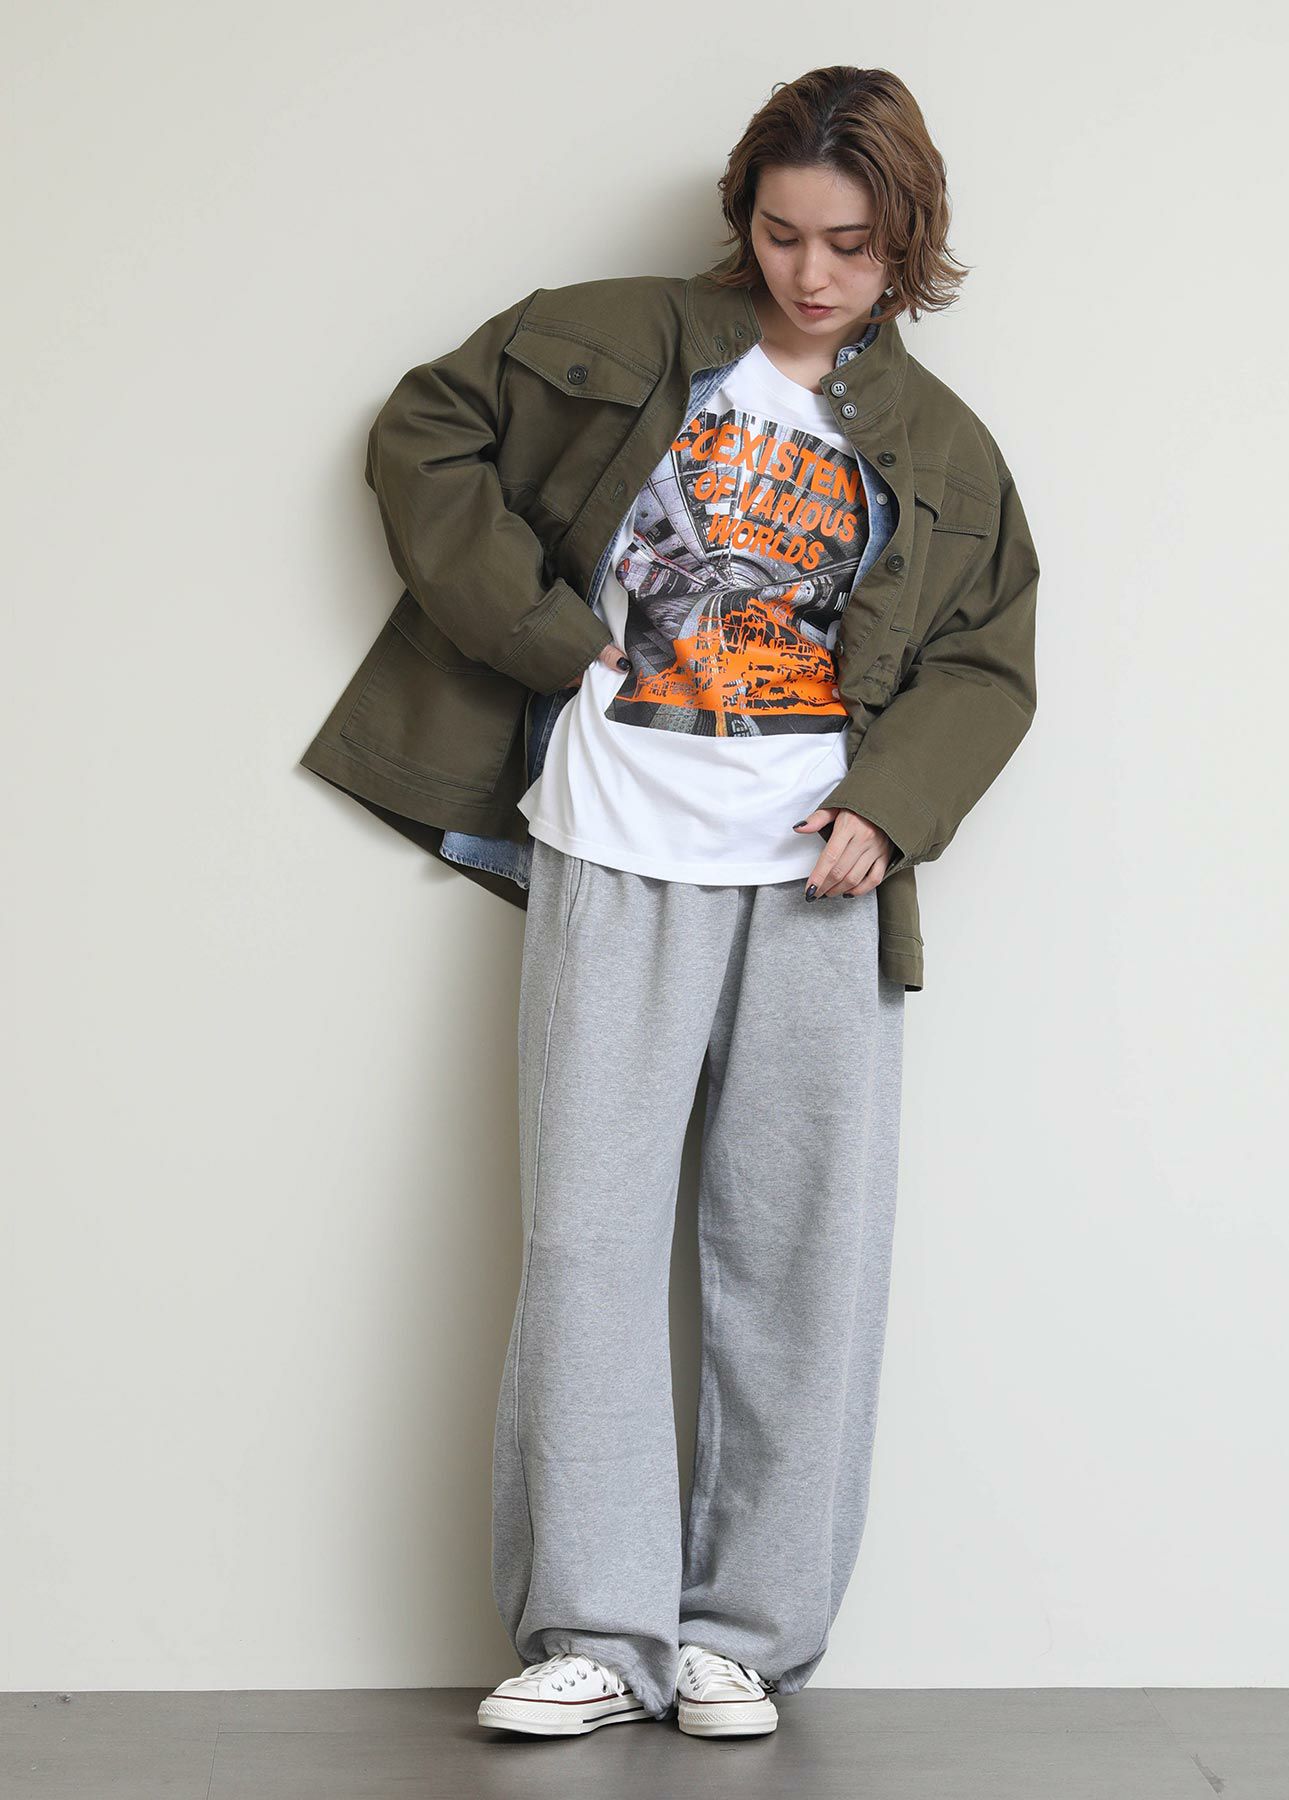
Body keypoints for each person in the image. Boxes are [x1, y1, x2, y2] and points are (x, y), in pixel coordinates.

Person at [299, 64, 1040, 1741]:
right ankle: (594, 1631)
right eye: (782, 234)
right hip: (615, 843)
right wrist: (548, 635)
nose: (811, 274)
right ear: (743, 218)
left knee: (799, 1256)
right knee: (587, 1239)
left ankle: (746, 1639)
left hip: (818, 884)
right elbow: (422, 431)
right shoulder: (617, 335)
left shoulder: (945, 448)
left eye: (850, 245)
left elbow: (989, 661)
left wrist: (893, 804)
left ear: (905, 240)